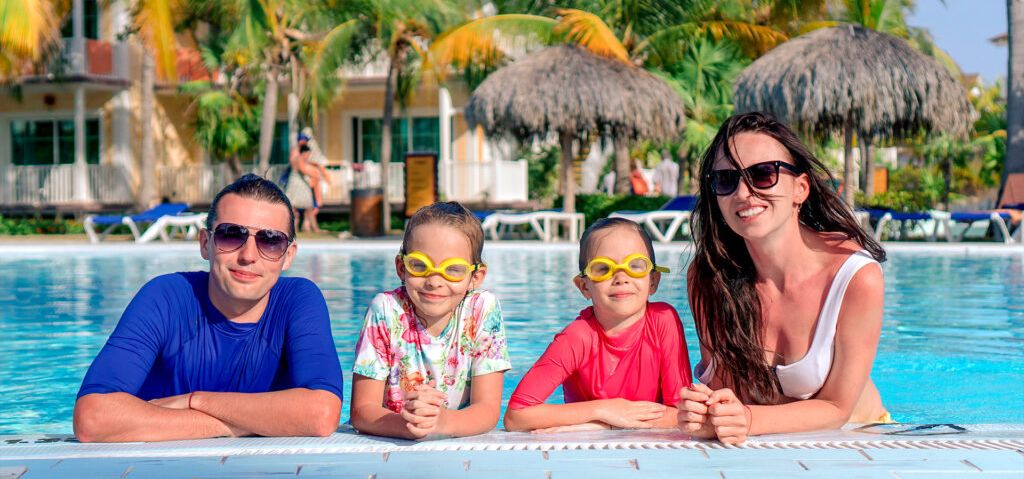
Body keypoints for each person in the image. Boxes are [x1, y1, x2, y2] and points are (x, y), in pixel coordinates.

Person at [73, 174, 344, 442]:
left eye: (270, 241)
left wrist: (196, 401)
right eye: (230, 235)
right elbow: (92, 419)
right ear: (205, 243)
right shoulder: (167, 297)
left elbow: (321, 414)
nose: (248, 255)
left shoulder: (297, 301)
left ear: (288, 256)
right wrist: (239, 424)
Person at [677, 112, 888, 445]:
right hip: (767, 443)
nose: (743, 193)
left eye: (763, 174)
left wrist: (746, 418)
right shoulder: (709, 277)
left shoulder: (854, 278)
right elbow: (722, 388)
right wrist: (703, 411)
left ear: (800, 188)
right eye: (725, 180)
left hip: (863, 438)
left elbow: (837, 408)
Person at [504, 217, 691, 433]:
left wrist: (604, 424)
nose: (621, 277)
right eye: (603, 269)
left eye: (635, 266)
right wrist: (603, 409)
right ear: (584, 287)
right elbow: (516, 416)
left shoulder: (663, 320)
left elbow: (682, 413)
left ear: (654, 281)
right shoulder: (578, 337)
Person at [350, 201, 510, 439]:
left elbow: (487, 409)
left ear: (475, 276)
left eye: (453, 269)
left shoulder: (482, 309)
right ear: (401, 268)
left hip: (456, 434)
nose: (434, 280)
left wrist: (443, 422)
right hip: (391, 434)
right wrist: (410, 425)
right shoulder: (385, 310)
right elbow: (362, 412)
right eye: (419, 266)